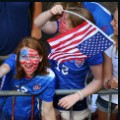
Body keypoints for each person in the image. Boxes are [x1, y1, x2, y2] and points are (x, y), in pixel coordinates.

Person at [35, 4, 103, 120]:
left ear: (77, 28)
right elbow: (38, 23)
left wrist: (77, 96)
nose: (60, 21)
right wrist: (50, 12)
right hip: (50, 97)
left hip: (75, 103)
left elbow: (99, 80)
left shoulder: (90, 48)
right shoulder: (60, 32)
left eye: (65, 21)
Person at [0, 37, 56, 120]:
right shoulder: (13, 61)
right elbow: (3, 69)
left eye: (33, 57)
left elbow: (48, 111)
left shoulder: (48, 78)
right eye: (23, 56)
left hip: (31, 116)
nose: (28, 61)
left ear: (40, 58)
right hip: (5, 114)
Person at [96, 6, 118, 120]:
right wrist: (110, 83)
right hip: (108, 100)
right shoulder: (110, 42)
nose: (111, 23)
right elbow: (106, 80)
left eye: (116, 21)